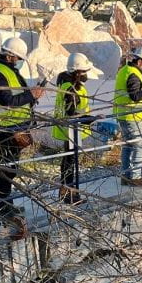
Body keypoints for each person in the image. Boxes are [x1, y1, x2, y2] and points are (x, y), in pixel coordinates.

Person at [0, 37, 42, 220]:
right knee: (7, 169)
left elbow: (19, 97)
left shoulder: (10, 72)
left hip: (16, 127)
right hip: (6, 128)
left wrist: (32, 96)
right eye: (18, 58)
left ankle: (6, 204)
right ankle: (3, 207)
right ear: (10, 56)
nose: (19, 61)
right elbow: (7, 101)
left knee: (11, 168)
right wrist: (30, 95)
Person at [52, 52, 94, 204]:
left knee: (68, 161)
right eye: (84, 71)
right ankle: (69, 195)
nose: (86, 74)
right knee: (70, 163)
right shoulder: (70, 88)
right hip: (71, 130)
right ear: (77, 72)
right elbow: (71, 113)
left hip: (70, 129)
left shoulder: (67, 84)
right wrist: (89, 119)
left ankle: (67, 192)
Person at [114, 46, 142, 186]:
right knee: (140, 145)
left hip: (124, 115)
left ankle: (126, 176)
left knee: (128, 146)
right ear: (140, 61)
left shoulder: (125, 70)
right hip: (132, 116)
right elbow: (135, 96)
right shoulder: (133, 74)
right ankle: (135, 178)